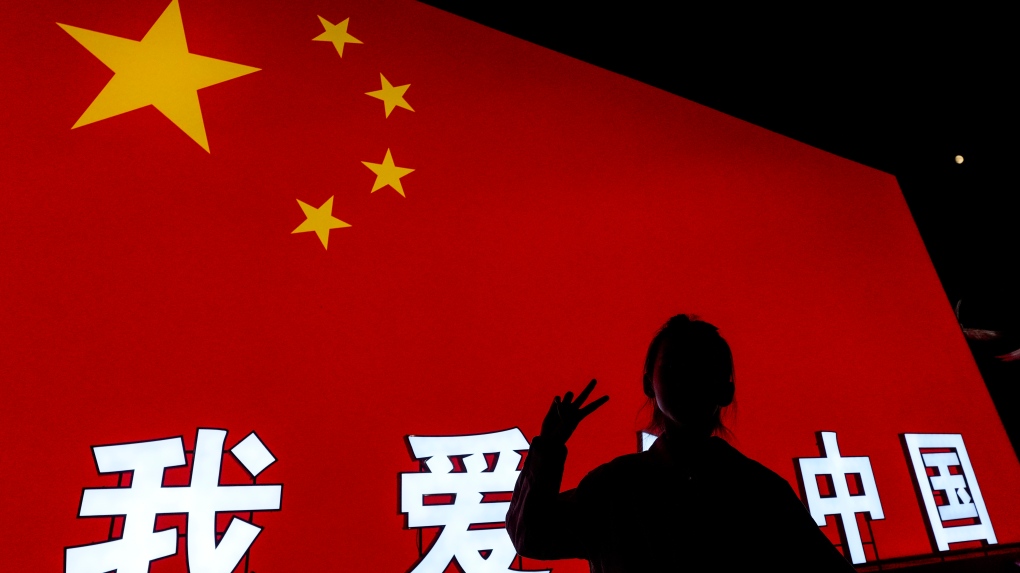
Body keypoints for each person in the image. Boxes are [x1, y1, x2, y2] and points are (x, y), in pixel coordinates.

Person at [507, 314, 856, 572]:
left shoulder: (760, 491)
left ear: (726, 388)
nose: (688, 374)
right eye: (675, 364)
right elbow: (533, 536)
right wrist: (546, 451)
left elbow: (531, 536)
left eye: (703, 365)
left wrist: (546, 452)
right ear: (649, 383)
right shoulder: (615, 485)